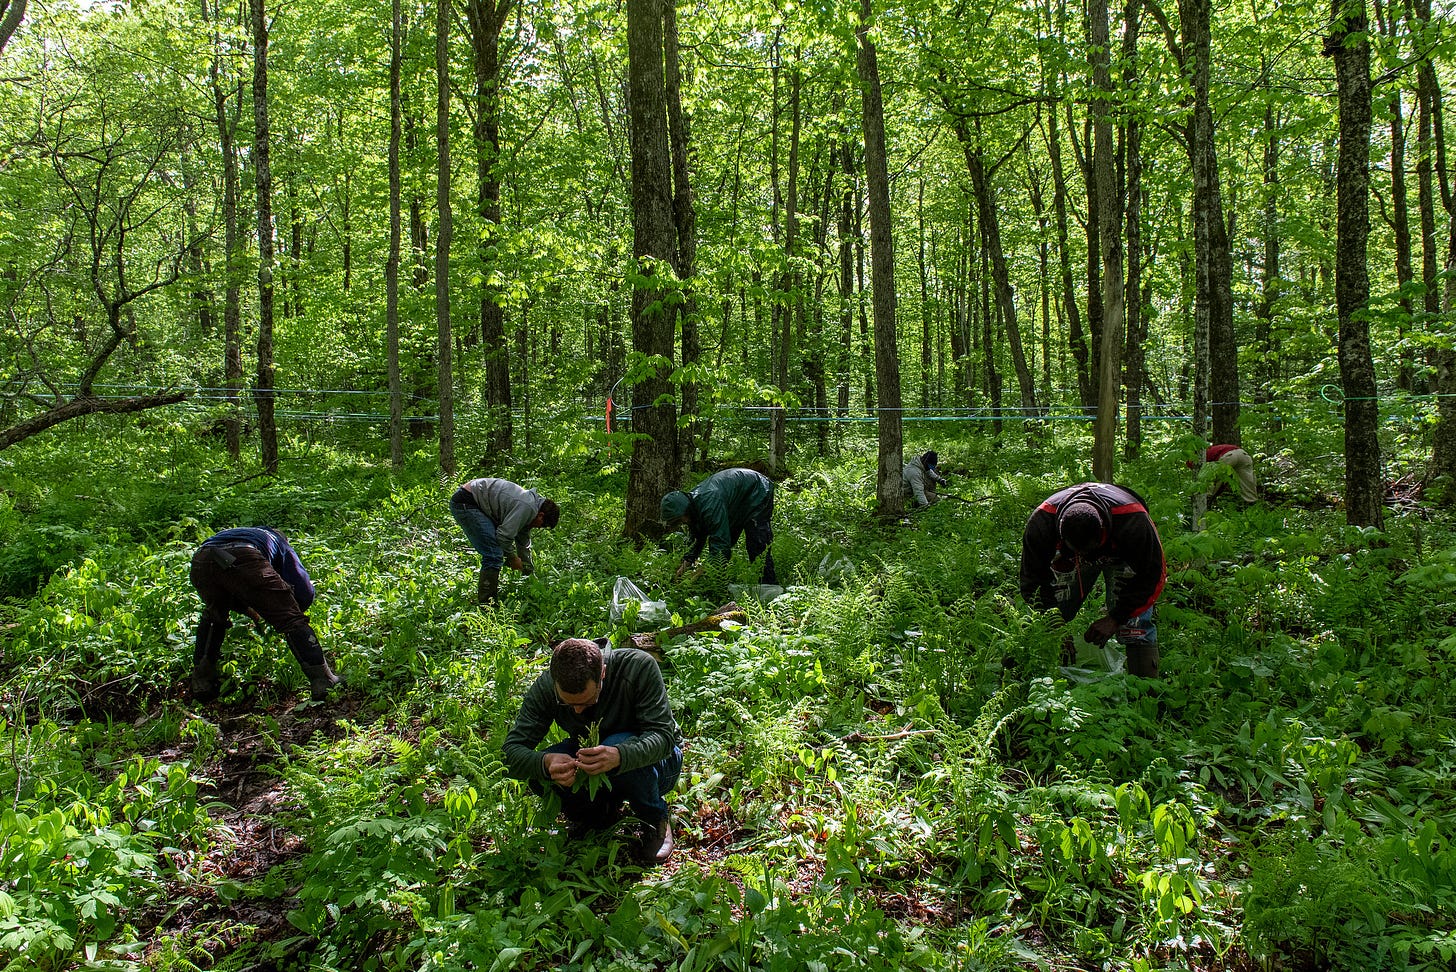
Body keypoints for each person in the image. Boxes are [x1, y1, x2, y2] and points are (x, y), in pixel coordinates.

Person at [502, 637, 682, 864]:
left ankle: (654, 819)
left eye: (587, 702)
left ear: (603, 674)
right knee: (542, 777)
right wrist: (546, 763)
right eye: (567, 704)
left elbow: (664, 738)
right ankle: (595, 818)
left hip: (659, 765)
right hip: (594, 759)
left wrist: (619, 755)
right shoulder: (546, 687)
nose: (577, 711)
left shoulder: (638, 667)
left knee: (619, 741)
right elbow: (509, 754)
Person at [1019, 483, 1166, 677]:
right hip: (1068, 557)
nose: (1088, 557)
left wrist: (1115, 618)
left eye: (1089, 550)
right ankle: (1026, 678)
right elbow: (1032, 582)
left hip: (1123, 554)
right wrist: (1055, 624)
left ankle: (1146, 695)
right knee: (1047, 617)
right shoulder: (1042, 523)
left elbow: (1153, 575)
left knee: (1134, 626)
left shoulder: (1133, 521)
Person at [188, 527, 344, 703]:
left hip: (201, 560)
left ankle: (202, 683)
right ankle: (324, 680)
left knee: (215, 616)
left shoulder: (248, 534)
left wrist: (254, 613)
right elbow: (303, 589)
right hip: (242, 555)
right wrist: (288, 611)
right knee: (291, 618)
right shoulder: (279, 541)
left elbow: (231, 585)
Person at [450, 478, 561, 604]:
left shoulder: (530, 510)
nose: (537, 527)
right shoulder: (527, 507)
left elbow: (523, 544)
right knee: (493, 554)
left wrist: (529, 574)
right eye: (541, 525)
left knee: (495, 552)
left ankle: (488, 601)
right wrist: (512, 558)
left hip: (473, 500)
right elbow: (503, 536)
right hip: (466, 502)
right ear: (541, 515)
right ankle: (487, 605)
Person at [660, 467, 777, 584]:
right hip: (737, 500)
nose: (683, 522)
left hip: (757, 489)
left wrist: (697, 574)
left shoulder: (710, 505)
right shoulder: (693, 506)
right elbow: (697, 537)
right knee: (728, 537)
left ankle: (768, 587)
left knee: (757, 542)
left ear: (685, 510)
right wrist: (686, 564)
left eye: (680, 519)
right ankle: (720, 583)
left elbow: (721, 546)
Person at [1190, 444, 1259, 503]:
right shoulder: (1209, 450)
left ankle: (1206, 500)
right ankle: (1252, 502)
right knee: (1247, 481)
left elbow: (1204, 474)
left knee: (1212, 478)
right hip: (1244, 455)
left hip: (1229, 456)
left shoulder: (1198, 457)